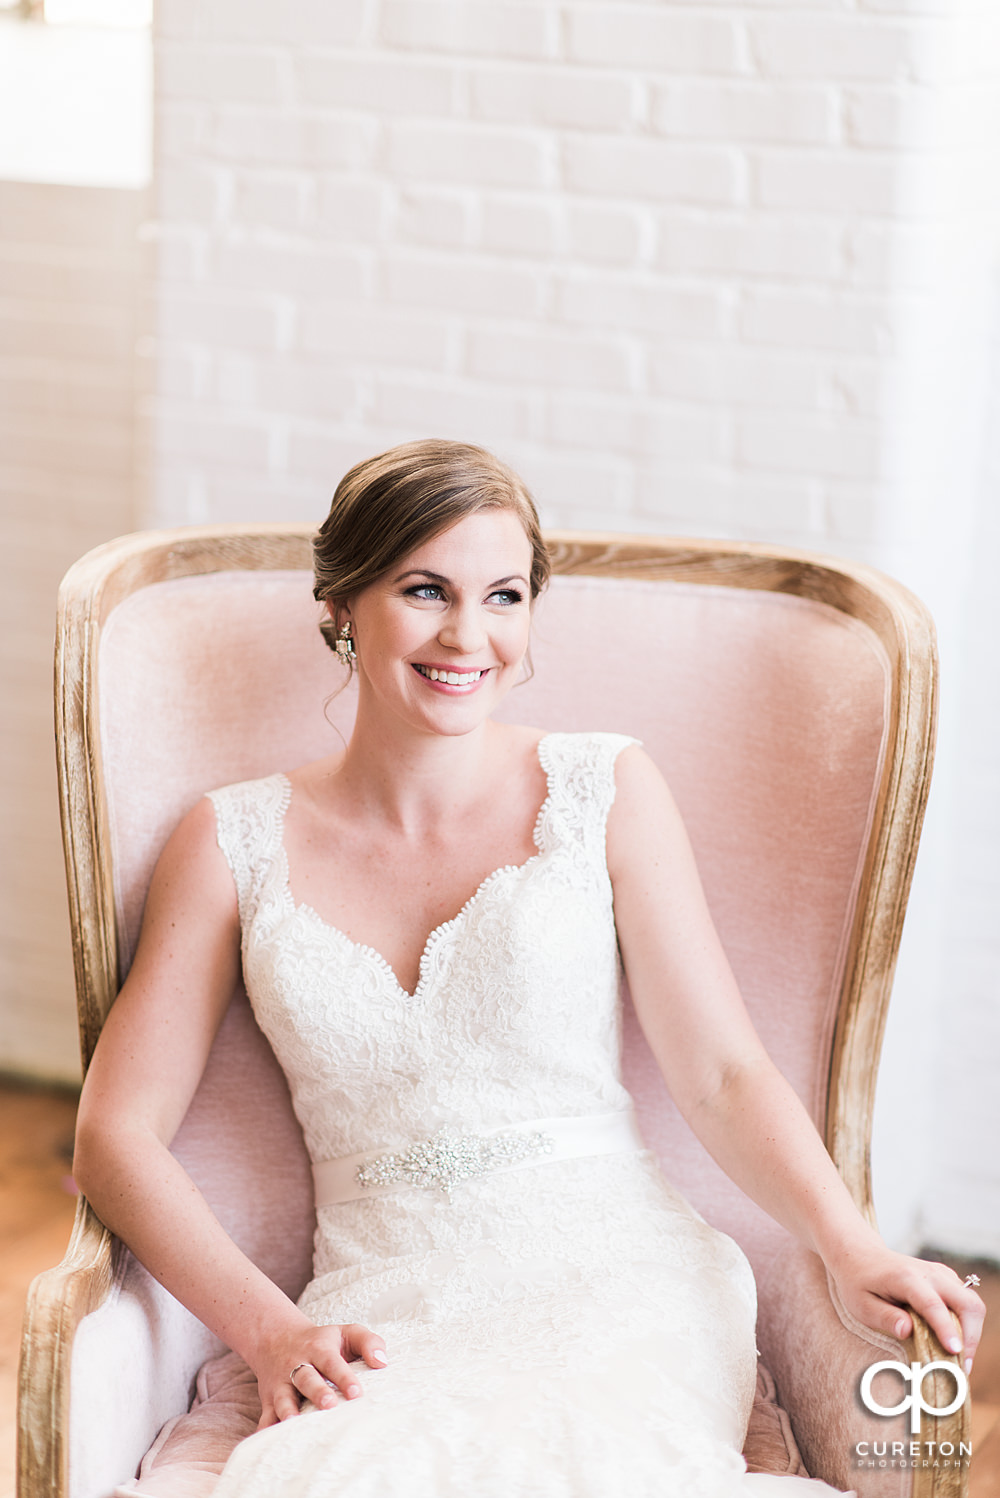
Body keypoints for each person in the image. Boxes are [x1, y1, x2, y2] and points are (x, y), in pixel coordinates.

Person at [74, 440, 984, 1498]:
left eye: (504, 596)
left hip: (616, 1272)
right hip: (387, 1291)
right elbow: (111, 1136)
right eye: (425, 590)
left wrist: (851, 1246)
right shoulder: (228, 841)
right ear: (341, 604)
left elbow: (723, 1073)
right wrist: (270, 1330)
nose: (469, 635)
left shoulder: (604, 789)